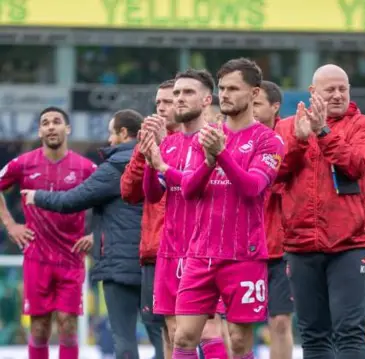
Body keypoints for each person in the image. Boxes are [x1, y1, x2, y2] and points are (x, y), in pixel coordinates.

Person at [152, 58, 283, 359]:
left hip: (244, 255)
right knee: (182, 337)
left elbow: (252, 188)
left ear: (253, 93)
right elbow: (188, 189)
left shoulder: (269, 141)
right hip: (200, 254)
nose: (225, 94)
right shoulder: (205, 138)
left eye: (233, 88)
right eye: (222, 88)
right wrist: (210, 162)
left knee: (238, 342)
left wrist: (220, 155)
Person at [20, 110, 158, 359]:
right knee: (164, 335)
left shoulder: (112, 167)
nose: (109, 139)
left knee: (124, 338)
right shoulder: (159, 160)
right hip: (156, 262)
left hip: (119, 265)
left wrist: (36, 196)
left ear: (123, 133)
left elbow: (73, 199)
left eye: (110, 132)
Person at [275, 64, 365, 359]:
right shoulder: (286, 126)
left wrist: (322, 132)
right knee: (313, 335)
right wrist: (297, 142)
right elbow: (274, 175)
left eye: (342, 89)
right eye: (329, 90)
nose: (337, 95)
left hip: (350, 242)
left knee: (349, 331)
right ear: (312, 93)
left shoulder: (364, 125)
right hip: (300, 244)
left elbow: (357, 164)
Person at [139, 69, 229, 359]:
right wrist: (150, 158)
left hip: (205, 250)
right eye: (176, 93)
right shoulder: (169, 144)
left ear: (206, 100)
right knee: (177, 332)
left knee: (209, 329)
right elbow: (153, 195)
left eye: (187, 92)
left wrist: (162, 166)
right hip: (170, 248)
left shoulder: (214, 139)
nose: (178, 99)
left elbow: (192, 186)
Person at [0, 107, 96, 359]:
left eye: (56, 121)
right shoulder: (23, 164)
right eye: (45, 123)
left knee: (68, 325)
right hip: (37, 256)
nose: (51, 126)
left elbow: (112, 200)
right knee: (40, 328)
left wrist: (96, 234)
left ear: (68, 129)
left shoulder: (86, 167)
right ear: (40, 130)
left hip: (71, 257)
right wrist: (10, 225)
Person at [120, 79, 185, 359]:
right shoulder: (145, 145)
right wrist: (145, 154)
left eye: (167, 102)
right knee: (167, 331)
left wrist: (164, 153)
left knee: (204, 329)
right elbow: (128, 192)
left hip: (192, 249)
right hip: (156, 248)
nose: (161, 108)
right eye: (158, 102)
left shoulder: (198, 141)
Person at [253, 80, 294, 359]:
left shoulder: (289, 136)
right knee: (235, 326)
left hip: (281, 247)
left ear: (274, 106)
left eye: (257, 104)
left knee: (279, 322)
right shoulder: (236, 135)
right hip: (244, 247)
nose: (251, 109)